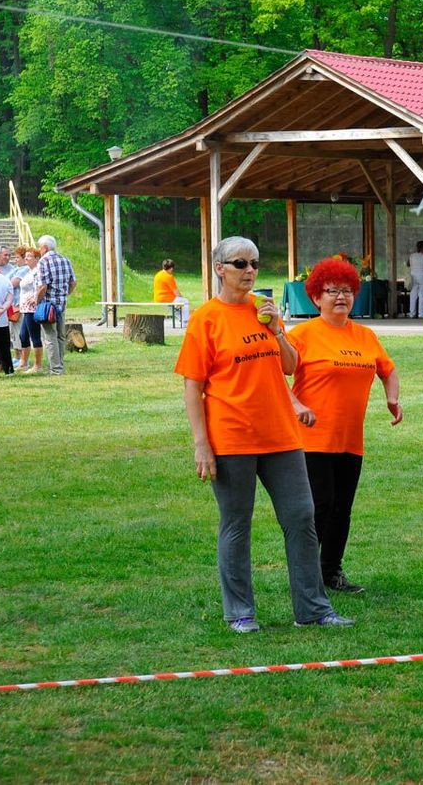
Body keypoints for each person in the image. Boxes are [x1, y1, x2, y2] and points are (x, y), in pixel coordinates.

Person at [175, 236, 353, 633]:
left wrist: (276, 331)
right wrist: (201, 445)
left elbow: (290, 366)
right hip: (232, 436)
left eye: (254, 263)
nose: (250, 271)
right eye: (240, 264)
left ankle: (312, 609)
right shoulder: (206, 319)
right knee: (237, 523)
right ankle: (240, 613)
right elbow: (192, 387)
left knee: (301, 517)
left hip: (281, 436)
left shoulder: (264, 311)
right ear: (220, 269)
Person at [287, 256, 402, 595]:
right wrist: (296, 405)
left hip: (350, 439)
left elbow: (388, 370)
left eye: (348, 290)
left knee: (342, 509)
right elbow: (273, 375)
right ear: (315, 297)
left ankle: (331, 571)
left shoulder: (364, 335)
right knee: (319, 507)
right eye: (333, 291)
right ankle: (307, 575)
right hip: (313, 439)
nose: (341, 297)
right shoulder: (303, 334)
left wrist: (392, 398)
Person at [33, 234, 76, 376]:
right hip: (62, 303)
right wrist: (65, 294)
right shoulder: (65, 259)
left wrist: (36, 301)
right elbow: (73, 282)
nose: (39, 250)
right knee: (60, 336)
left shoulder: (43, 262)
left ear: (45, 248)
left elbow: (43, 286)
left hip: (48, 305)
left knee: (50, 336)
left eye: (40, 247)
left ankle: (55, 369)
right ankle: (60, 365)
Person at [14, 248, 43, 373]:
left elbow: (41, 286)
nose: (26, 258)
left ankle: (37, 365)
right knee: (23, 335)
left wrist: (35, 298)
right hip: (25, 308)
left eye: (30, 256)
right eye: (26, 256)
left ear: (37, 259)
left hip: (32, 308)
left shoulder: (37, 272)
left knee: (34, 335)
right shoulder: (28, 271)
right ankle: (23, 363)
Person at [152, 259, 191, 324]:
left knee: (175, 309)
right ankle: (186, 321)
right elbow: (176, 292)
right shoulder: (169, 277)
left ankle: (183, 321)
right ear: (171, 268)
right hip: (167, 299)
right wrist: (182, 298)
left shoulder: (157, 275)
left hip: (157, 299)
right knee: (185, 301)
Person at [408, 240, 423, 318]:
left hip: (413, 275)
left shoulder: (412, 256)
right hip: (422, 276)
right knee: (422, 294)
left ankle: (412, 313)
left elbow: (409, 264)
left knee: (413, 294)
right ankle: (421, 313)